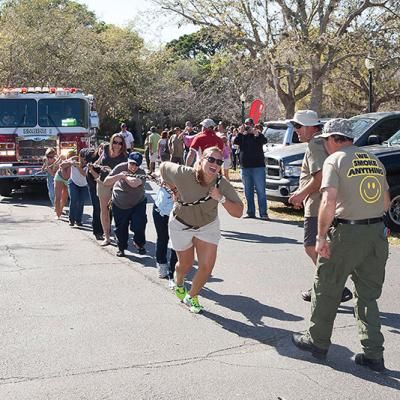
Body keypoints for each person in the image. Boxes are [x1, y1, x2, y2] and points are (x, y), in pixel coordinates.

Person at [292, 119, 390, 372]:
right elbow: (387, 202)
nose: (324, 145)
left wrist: (321, 236)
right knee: (367, 295)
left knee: (326, 286)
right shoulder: (374, 161)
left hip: (347, 231)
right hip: (376, 233)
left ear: (334, 139)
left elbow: (328, 200)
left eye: (326, 140)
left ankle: (317, 341)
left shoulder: (334, 161)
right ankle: (373, 353)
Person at [160, 146, 244, 313]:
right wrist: (174, 189)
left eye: (219, 161)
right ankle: (179, 280)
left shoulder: (221, 183)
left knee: (206, 266)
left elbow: (239, 212)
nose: (215, 164)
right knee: (185, 264)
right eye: (211, 159)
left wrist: (220, 198)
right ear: (201, 160)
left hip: (207, 226)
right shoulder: (184, 173)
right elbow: (163, 168)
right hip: (181, 223)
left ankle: (192, 296)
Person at [288, 110, 353, 304]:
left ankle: (333, 286)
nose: (296, 130)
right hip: (326, 202)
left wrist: (301, 194)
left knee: (312, 246)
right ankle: (327, 285)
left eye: (298, 126)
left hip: (319, 204)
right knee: (320, 247)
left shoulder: (316, 143)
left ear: (310, 127)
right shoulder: (319, 142)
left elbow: (320, 176)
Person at [103, 152, 147, 257]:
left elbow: (134, 183)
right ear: (128, 161)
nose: (134, 167)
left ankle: (139, 244)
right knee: (121, 228)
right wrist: (119, 175)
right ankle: (121, 248)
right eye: (131, 163)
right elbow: (106, 181)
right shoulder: (120, 167)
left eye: (136, 165)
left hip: (138, 202)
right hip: (120, 203)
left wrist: (125, 177)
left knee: (139, 225)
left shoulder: (141, 172)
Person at [233, 118, 269, 220]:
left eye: (250, 124)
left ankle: (263, 213)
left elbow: (264, 141)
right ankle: (250, 212)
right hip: (245, 167)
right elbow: (235, 142)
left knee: (260, 191)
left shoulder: (257, 134)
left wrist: (256, 134)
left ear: (254, 125)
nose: (248, 126)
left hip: (258, 166)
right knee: (248, 191)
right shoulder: (242, 136)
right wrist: (240, 133)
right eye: (246, 124)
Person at [97, 133, 128, 246]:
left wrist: (112, 171)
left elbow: (126, 172)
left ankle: (120, 235)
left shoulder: (125, 156)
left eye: (120, 143)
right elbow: (99, 161)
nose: (117, 145)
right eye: (115, 142)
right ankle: (107, 236)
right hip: (103, 183)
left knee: (118, 211)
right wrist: (94, 166)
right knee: (104, 210)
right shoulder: (105, 148)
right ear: (111, 142)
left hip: (117, 185)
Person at [152, 185, 177, 282]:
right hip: (160, 211)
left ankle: (174, 270)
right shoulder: (166, 173)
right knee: (162, 238)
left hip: (178, 213)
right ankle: (162, 265)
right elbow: (159, 173)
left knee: (176, 241)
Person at [82, 145, 104, 240]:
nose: (102, 151)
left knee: (107, 208)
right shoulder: (91, 155)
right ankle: (98, 231)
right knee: (97, 207)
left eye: (105, 149)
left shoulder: (108, 159)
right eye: (101, 148)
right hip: (93, 184)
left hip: (105, 184)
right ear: (98, 148)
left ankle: (105, 229)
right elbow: (82, 152)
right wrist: (83, 164)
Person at [64, 153, 88, 227]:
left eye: (85, 158)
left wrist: (77, 166)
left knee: (81, 202)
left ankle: (78, 220)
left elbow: (84, 174)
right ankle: (71, 219)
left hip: (84, 185)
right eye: (82, 157)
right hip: (73, 182)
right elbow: (62, 165)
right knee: (74, 200)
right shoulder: (74, 160)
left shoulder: (89, 165)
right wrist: (70, 162)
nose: (83, 160)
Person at [54, 151, 74, 219]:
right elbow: (57, 165)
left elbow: (67, 177)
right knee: (58, 197)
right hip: (59, 177)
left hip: (68, 179)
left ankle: (61, 209)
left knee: (65, 197)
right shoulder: (64, 161)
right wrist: (60, 159)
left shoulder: (74, 162)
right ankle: (58, 214)